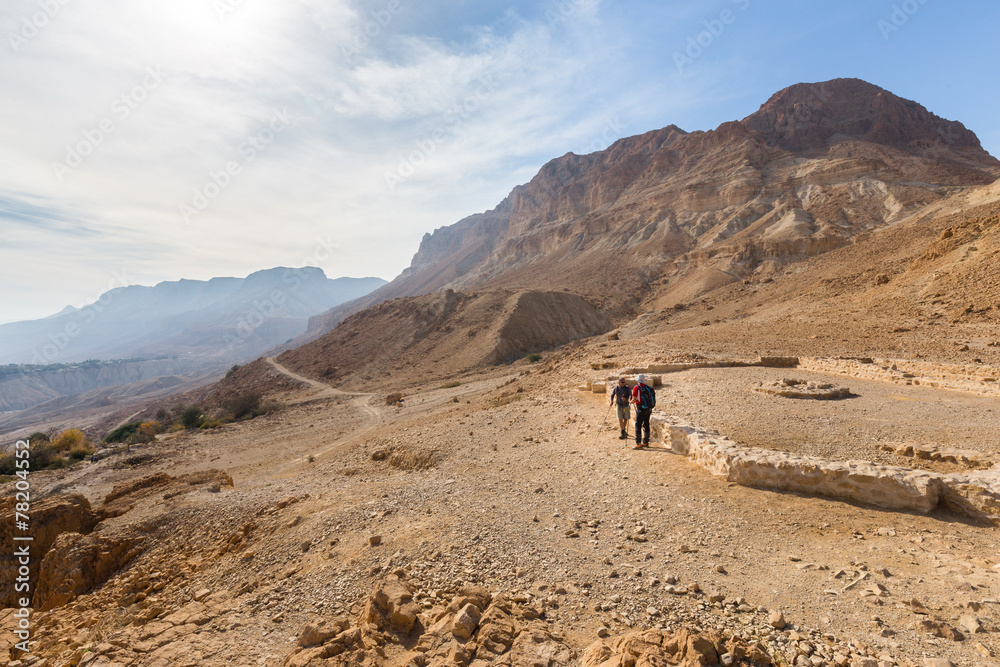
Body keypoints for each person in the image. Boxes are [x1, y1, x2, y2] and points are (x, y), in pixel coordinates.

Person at [631, 374, 655, 449]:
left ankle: (638, 443)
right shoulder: (647, 388)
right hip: (648, 409)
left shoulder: (636, 388)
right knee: (646, 424)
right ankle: (645, 442)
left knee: (638, 425)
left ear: (638, 381)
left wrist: (630, 401)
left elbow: (634, 400)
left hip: (641, 409)